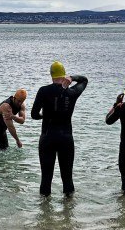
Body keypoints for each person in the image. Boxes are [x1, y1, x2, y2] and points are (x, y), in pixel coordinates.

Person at [31, 61, 88, 196]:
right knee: (67, 178)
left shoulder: (43, 91)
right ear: (64, 74)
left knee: (46, 178)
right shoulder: (72, 92)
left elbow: (34, 114)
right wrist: (72, 78)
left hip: (47, 137)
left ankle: (45, 208)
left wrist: (44, 116)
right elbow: (84, 80)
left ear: (51, 75)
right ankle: (68, 208)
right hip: (66, 138)